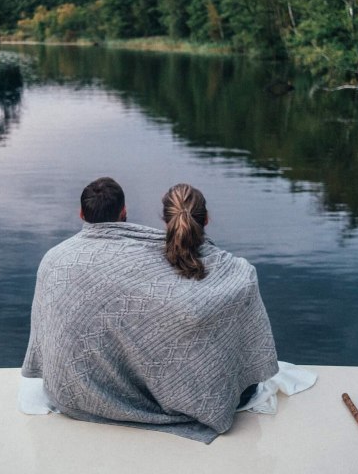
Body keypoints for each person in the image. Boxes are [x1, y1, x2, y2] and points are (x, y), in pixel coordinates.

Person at [21, 178, 278, 443]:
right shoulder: (237, 272)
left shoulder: (52, 260)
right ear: (124, 212)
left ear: (81, 213)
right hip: (190, 392)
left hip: (68, 394)